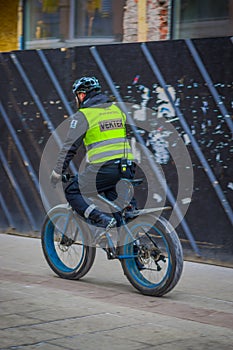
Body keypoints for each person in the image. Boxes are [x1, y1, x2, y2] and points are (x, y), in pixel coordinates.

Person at [50, 76, 136, 234]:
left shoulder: (85, 115)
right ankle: (130, 248)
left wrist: (57, 172)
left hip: (105, 169)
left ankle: (100, 219)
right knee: (120, 209)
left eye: (76, 96)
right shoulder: (117, 109)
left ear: (81, 95)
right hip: (127, 167)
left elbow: (70, 148)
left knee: (73, 191)